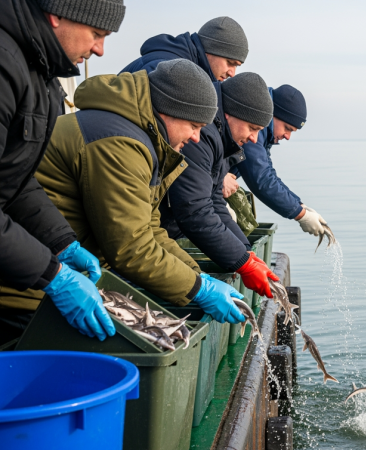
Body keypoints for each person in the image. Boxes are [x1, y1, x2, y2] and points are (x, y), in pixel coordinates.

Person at [34, 59, 247, 325]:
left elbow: (150, 229)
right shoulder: (120, 143)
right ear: (169, 111)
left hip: (74, 274)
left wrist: (197, 275)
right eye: (194, 126)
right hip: (34, 289)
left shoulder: (144, 138)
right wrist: (198, 289)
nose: (196, 138)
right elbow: (131, 248)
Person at [0, 0, 126, 343]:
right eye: (96, 34)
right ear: (57, 15)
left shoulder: (42, 77)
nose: (99, 50)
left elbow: (15, 183)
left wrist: (60, 242)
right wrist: (52, 273)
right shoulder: (5, 65)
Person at [159, 72, 279, 298]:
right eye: (252, 128)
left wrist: (245, 252)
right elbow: (194, 210)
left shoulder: (222, 138)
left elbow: (214, 199)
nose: (254, 139)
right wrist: (243, 263)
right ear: (231, 113)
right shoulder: (203, 137)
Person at [227, 85, 329, 238]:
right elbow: (261, 179)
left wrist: (300, 205)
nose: (287, 136)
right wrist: (301, 215)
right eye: (287, 128)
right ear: (273, 114)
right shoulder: (254, 125)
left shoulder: (264, 133)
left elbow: (268, 171)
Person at [121, 16, 247, 82]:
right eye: (230, 63)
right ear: (209, 50)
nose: (232, 73)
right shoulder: (165, 71)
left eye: (237, 66)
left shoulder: (184, 71)